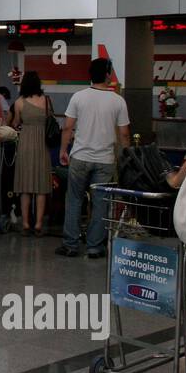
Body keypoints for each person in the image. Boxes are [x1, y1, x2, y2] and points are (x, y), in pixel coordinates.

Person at [55, 58, 130, 259]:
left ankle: (70, 245)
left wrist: (63, 149)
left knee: (74, 200)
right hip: (105, 160)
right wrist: (126, 157)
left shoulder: (78, 97)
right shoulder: (118, 101)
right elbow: (124, 134)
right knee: (101, 203)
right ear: (107, 74)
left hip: (79, 157)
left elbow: (68, 127)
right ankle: (95, 247)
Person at [12, 70, 53, 236]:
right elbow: (50, 119)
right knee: (41, 186)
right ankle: (38, 224)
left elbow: (15, 123)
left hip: (25, 144)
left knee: (25, 186)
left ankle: (26, 224)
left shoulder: (19, 102)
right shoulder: (46, 100)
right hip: (42, 144)